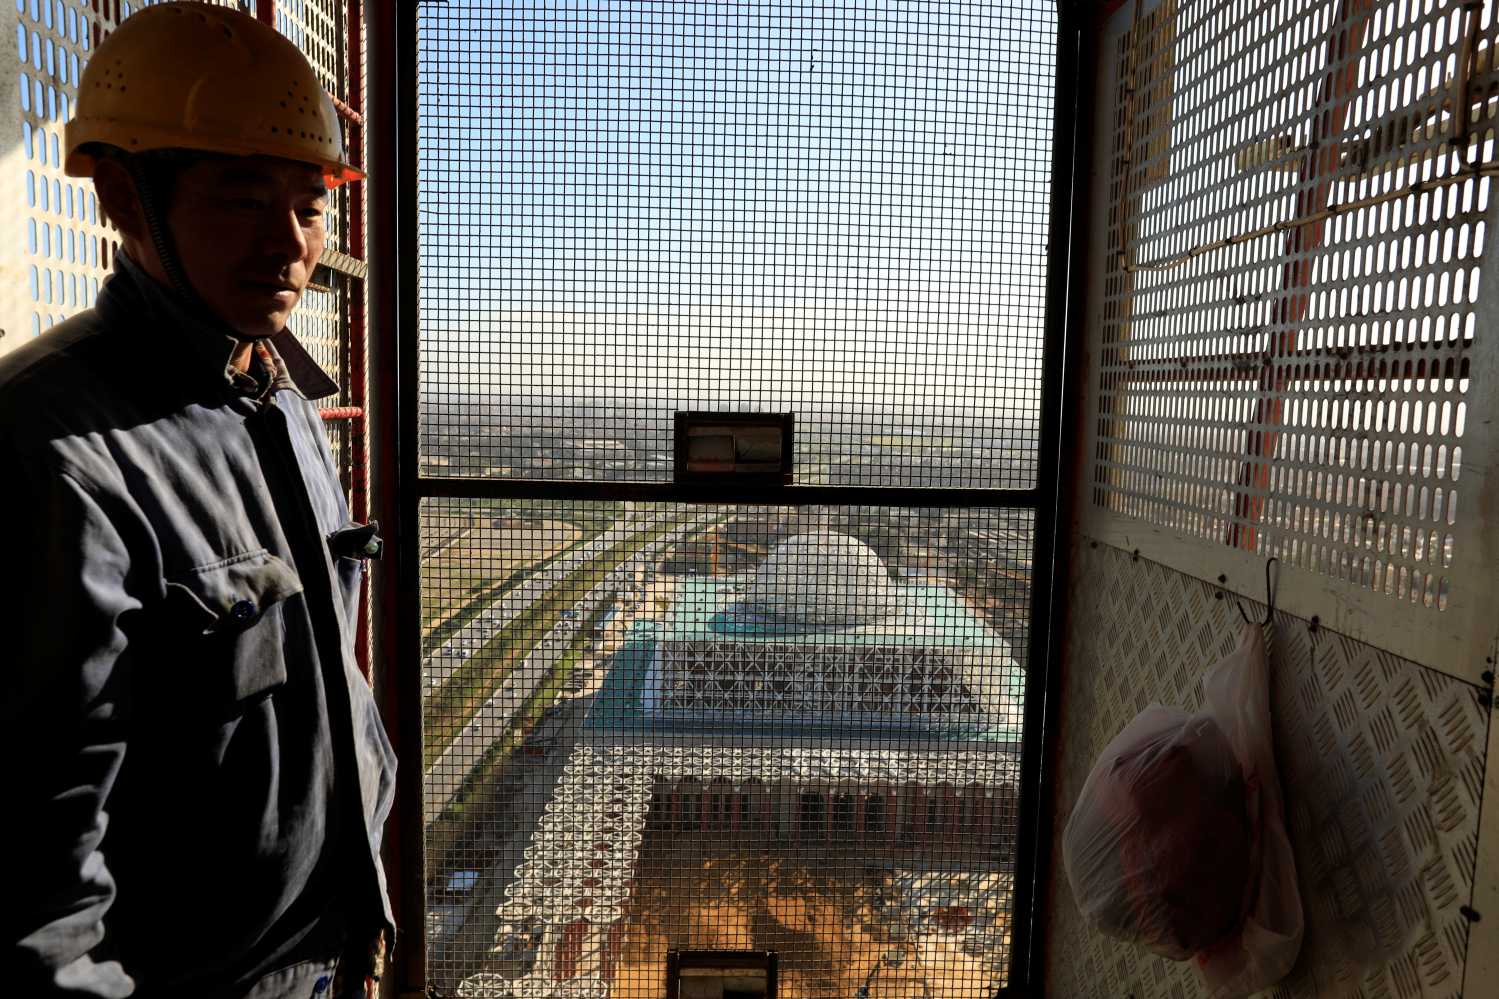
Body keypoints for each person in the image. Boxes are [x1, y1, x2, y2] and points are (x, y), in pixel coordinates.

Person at [1, 5, 396, 997]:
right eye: (241, 198)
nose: (291, 242)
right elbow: (30, 856)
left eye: (309, 204)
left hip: (320, 956)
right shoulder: (54, 454)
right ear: (127, 199)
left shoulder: (286, 407)